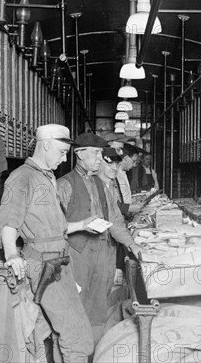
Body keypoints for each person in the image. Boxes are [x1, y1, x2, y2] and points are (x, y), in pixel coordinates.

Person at [0, 124, 93, 363]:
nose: (63, 159)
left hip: (57, 260)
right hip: (45, 264)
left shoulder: (46, 176)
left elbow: (50, 229)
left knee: (46, 333)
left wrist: (81, 225)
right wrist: (11, 254)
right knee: (77, 336)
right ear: (46, 144)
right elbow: (8, 222)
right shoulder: (22, 178)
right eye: (61, 152)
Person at [56, 133, 143, 344]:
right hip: (78, 260)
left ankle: (95, 352)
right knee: (75, 312)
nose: (99, 158)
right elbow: (51, 228)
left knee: (98, 312)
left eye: (100, 153)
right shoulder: (63, 185)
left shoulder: (101, 185)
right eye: (95, 153)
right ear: (79, 154)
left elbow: (115, 220)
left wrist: (131, 244)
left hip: (104, 258)